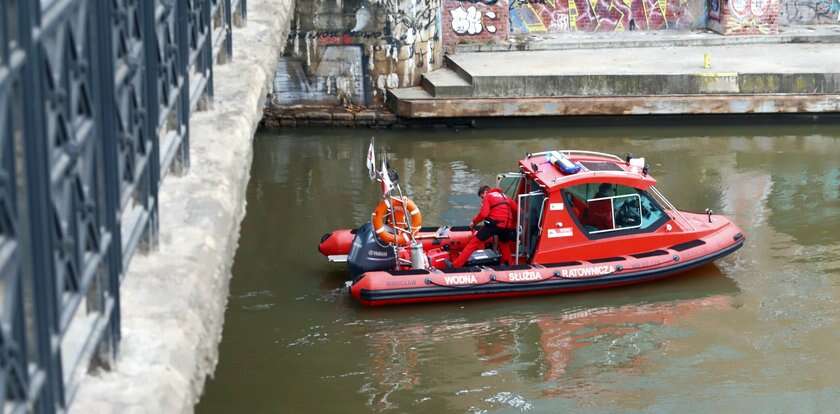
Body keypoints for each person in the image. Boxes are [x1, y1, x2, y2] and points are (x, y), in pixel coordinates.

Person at [451, 185, 518, 268]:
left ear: (485, 192)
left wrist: (474, 222)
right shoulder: (505, 197)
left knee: (473, 243)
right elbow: (517, 210)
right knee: (504, 244)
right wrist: (512, 226)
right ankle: (509, 266)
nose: (482, 199)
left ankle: (456, 265)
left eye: (482, 197)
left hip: (494, 225)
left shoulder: (489, 196)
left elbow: (483, 214)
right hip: (506, 226)